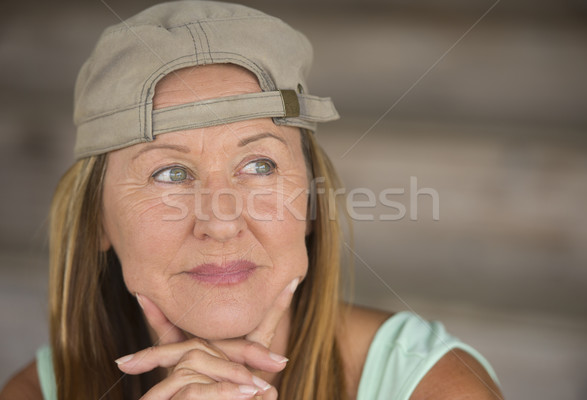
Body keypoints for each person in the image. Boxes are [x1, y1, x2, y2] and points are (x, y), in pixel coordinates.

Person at [0, 1, 503, 399]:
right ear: (98, 222)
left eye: (259, 166)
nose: (220, 223)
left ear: (309, 200)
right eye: (170, 172)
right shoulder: (36, 393)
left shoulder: (436, 387)